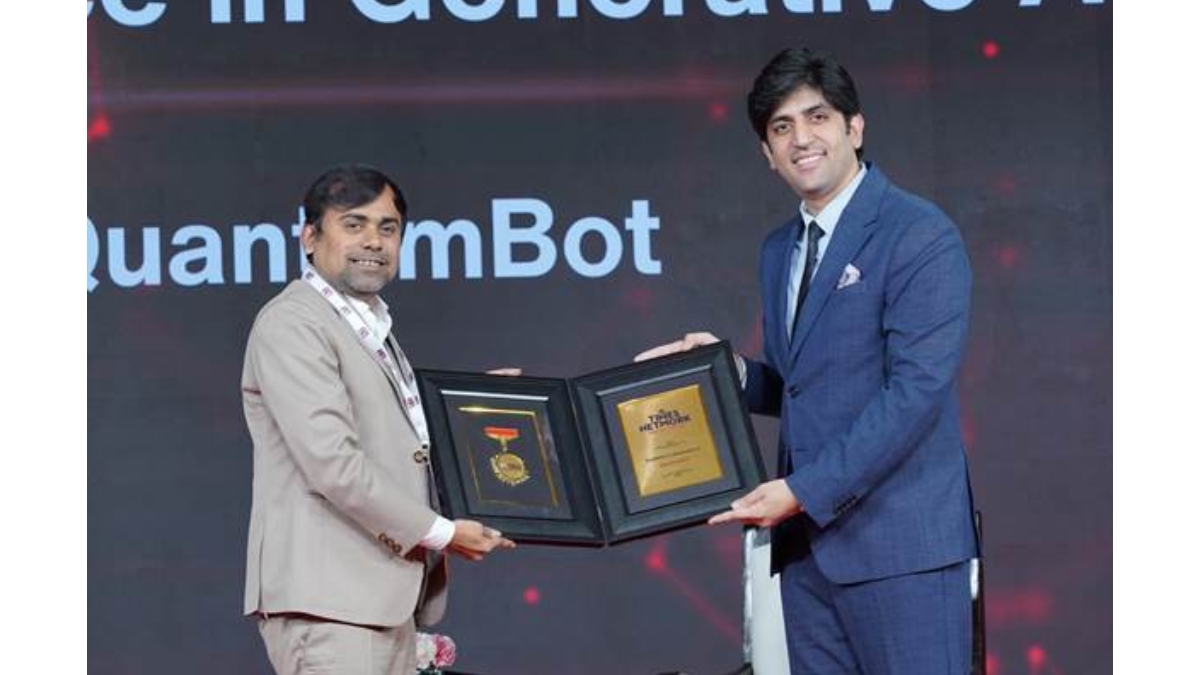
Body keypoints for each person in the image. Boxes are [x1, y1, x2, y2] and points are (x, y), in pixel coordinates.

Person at [637, 48, 978, 674]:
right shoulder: (779, 250)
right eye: (781, 127)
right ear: (767, 153)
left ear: (855, 127)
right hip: (807, 558)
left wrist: (801, 491)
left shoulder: (918, 234)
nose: (801, 139)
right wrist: (726, 372)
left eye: (817, 117)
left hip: (901, 551)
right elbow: (801, 388)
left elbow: (914, 393)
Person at [241, 164, 515, 675]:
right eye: (354, 224)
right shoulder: (293, 323)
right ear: (309, 238)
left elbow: (392, 435)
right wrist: (441, 532)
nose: (373, 241)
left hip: (377, 601)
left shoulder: (366, 324)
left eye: (388, 228)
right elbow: (333, 464)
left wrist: (472, 410)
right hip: (331, 603)